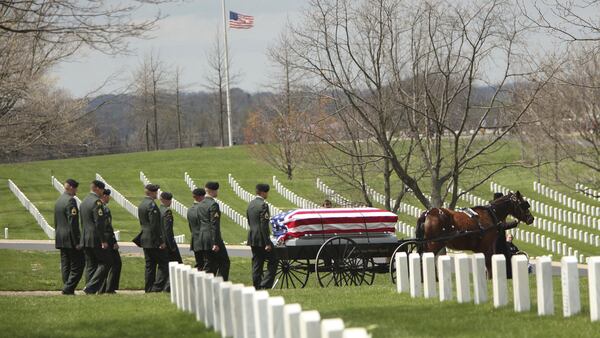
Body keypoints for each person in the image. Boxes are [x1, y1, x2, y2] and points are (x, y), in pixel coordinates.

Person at [80, 180, 112, 294]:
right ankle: (91, 287)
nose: (103, 193)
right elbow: (99, 223)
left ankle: (89, 289)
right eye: (102, 190)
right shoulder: (96, 202)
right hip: (95, 238)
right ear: (97, 189)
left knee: (90, 265)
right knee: (106, 262)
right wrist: (103, 240)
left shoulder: (84, 201)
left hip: (85, 237)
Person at [54, 178, 84, 295]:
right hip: (70, 238)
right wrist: (77, 241)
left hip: (61, 237)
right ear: (71, 187)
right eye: (75, 188)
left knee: (66, 264)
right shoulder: (70, 201)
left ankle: (67, 287)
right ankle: (68, 288)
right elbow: (73, 223)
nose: (76, 191)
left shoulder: (59, 200)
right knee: (79, 264)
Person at [136, 184, 169, 292]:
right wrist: (160, 241)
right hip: (153, 240)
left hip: (145, 238)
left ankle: (149, 288)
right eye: (155, 192)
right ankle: (157, 287)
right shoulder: (151, 205)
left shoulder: (142, 204)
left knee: (150, 265)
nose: (157, 194)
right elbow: (154, 225)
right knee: (164, 263)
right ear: (151, 192)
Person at [247, 183, 277, 289]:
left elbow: (250, 221)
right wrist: (267, 242)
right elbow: (264, 226)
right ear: (263, 192)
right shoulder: (263, 205)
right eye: (267, 192)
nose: (267, 194)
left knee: (257, 263)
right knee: (274, 259)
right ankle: (265, 284)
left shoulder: (251, 204)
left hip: (252, 237)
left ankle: (256, 286)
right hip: (261, 239)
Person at [199, 181, 230, 281]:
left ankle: (205, 286)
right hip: (212, 238)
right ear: (213, 191)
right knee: (224, 262)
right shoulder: (213, 205)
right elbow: (214, 224)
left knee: (209, 263)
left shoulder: (201, 204)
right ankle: (220, 285)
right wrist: (215, 242)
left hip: (203, 237)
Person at [99, 189, 121, 294]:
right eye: (107, 196)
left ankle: (104, 288)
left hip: (102, 238)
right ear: (104, 196)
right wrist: (114, 241)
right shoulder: (104, 209)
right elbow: (108, 226)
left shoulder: (98, 207)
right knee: (115, 263)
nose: (109, 198)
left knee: (107, 263)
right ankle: (109, 288)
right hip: (107, 239)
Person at [160, 191, 182, 264]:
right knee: (177, 264)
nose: (170, 202)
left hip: (160, 241)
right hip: (167, 243)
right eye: (169, 200)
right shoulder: (167, 212)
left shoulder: (159, 210)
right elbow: (168, 230)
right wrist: (172, 246)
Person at [187, 188, 206, 270]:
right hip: (204, 242)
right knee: (207, 266)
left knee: (200, 265)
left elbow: (191, 227)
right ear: (201, 197)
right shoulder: (203, 209)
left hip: (195, 241)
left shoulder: (190, 210)